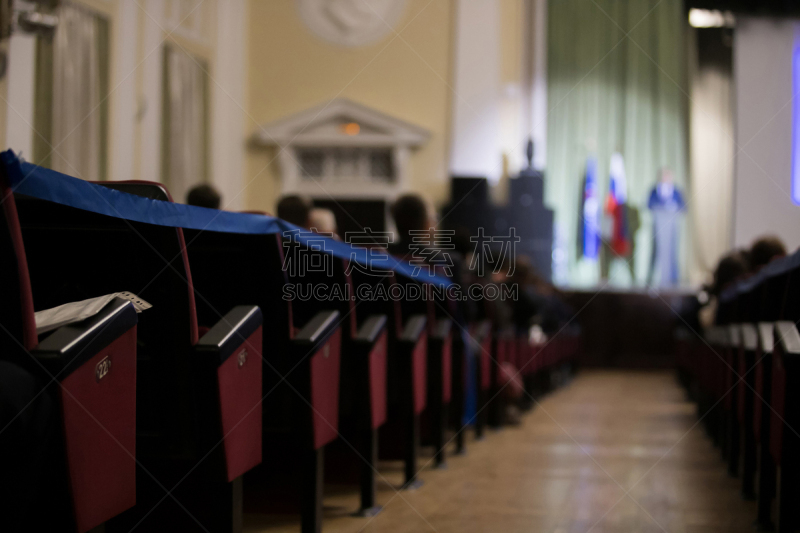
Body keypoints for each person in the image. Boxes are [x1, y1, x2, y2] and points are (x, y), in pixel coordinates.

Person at [647, 167, 686, 287]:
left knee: (672, 252)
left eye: (668, 175)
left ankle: (673, 279)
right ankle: (651, 278)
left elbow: (683, 207)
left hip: (672, 226)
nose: (666, 178)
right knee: (655, 252)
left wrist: (673, 207)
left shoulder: (676, 191)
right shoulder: (654, 190)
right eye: (664, 175)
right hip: (658, 226)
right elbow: (649, 205)